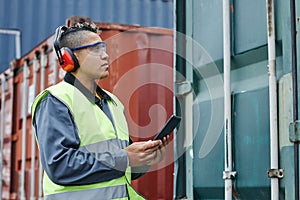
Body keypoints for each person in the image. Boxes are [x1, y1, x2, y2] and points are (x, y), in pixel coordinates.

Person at [31, 21, 169, 200]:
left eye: (104, 49)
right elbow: (60, 166)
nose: (105, 56)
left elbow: (121, 171)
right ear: (69, 57)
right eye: (96, 49)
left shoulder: (114, 103)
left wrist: (145, 160)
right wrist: (124, 159)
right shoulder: (56, 100)